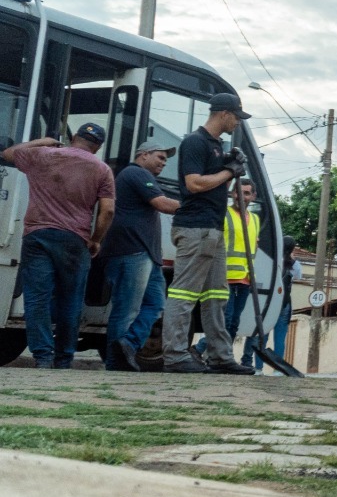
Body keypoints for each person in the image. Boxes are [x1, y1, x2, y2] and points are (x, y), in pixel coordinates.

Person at [3, 125, 115, 368]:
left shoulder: (43, 155)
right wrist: (96, 239)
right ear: (98, 146)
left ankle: (43, 357)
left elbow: (9, 153)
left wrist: (42, 140)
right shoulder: (102, 169)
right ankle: (64, 358)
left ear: (74, 138)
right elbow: (108, 210)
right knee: (71, 300)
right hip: (75, 240)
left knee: (37, 299)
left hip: (38, 235)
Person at [160, 93, 254, 375]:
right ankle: (175, 356)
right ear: (224, 114)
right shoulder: (195, 142)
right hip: (196, 228)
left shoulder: (215, 145)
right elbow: (195, 184)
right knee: (184, 293)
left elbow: (214, 183)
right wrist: (228, 171)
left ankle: (220, 357)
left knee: (216, 296)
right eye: (236, 117)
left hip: (213, 229)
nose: (237, 122)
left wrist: (228, 163)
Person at [99, 140, 179, 371]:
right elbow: (162, 204)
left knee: (156, 304)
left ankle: (128, 345)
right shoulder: (135, 173)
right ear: (144, 155)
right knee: (127, 310)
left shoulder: (140, 176)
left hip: (147, 255)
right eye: (160, 157)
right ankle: (115, 364)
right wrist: (195, 209)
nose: (164, 163)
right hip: (131, 251)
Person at [223, 179, 262, 371]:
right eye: (238, 192)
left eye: (247, 193)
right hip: (224, 276)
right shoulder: (225, 214)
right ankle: (214, 353)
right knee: (226, 319)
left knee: (234, 322)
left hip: (245, 279)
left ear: (253, 196)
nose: (242, 196)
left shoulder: (254, 219)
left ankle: (224, 356)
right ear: (232, 194)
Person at [265, 236, 301, 371]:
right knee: (280, 339)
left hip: (268, 303)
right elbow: (298, 277)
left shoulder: (272, 260)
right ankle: (278, 369)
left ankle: (257, 368)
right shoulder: (294, 265)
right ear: (292, 248)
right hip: (284, 303)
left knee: (263, 337)